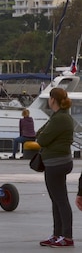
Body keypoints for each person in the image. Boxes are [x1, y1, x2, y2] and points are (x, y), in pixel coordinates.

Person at [36, 87, 75, 247]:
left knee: (60, 200)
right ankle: (58, 234)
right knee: (57, 199)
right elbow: (41, 133)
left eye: (49, 98)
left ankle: (66, 236)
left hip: (56, 163)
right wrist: (42, 135)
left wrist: (42, 136)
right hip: (59, 161)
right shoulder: (60, 116)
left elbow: (42, 139)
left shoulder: (60, 119)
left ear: (53, 99)